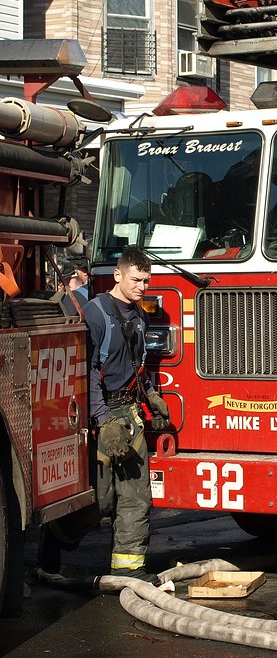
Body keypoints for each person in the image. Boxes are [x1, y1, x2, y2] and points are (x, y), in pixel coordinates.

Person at [37, 247, 171, 581]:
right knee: (100, 501)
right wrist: (102, 419)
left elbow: (136, 365)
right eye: (136, 280)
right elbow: (87, 371)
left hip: (130, 416)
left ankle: (129, 574)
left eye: (146, 280)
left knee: (136, 500)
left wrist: (150, 394)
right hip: (103, 418)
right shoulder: (96, 315)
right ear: (118, 275)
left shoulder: (140, 316)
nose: (142, 286)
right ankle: (54, 538)